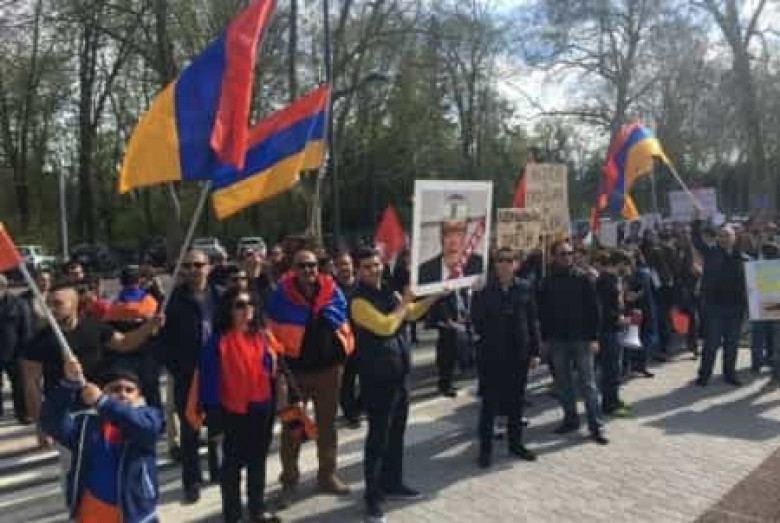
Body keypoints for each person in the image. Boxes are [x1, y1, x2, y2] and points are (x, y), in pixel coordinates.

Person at [350, 247, 438, 523]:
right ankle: (372, 498)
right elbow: (386, 326)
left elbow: (411, 314)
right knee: (378, 439)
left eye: (376, 265)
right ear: (358, 270)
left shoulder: (389, 291)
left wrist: (435, 295)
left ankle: (393, 483)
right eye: (367, 266)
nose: (373, 270)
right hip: (377, 380)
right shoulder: (358, 301)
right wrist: (405, 302)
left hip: (399, 375)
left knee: (397, 433)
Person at [267, 250, 355, 508]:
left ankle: (327, 476)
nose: (308, 270)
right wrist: (280, 373)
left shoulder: (331, 291)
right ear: (293, 269)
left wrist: (342, 356)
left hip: (329, 372)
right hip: (295, 374)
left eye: (312, 265)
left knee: (328, 427)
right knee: (292, 430)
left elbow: (341, 320)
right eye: (302, 265)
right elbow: (272, 334)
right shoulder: (280, 296)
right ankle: (289, 482)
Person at [22, 283, 163, 443]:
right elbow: (31, 385)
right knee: (74, 457)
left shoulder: (94, 327)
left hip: (98, 405)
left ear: (74, 304)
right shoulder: (37, 341)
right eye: (48, 304)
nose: (51, 309)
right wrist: (41, 425)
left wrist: (149, 326)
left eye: (58, 304)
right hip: (65, 414)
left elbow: (124, 343)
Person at [195, 289, 282, 523]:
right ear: (228, 309)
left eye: (250, 304)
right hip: (231, 414)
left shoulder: (263, 337)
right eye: (240, 305)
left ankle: (257, 510)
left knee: (258, 463)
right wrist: (215, 422)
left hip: (262, 409)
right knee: (231, 469)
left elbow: (272, 373)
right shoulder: (216, 343)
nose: (246, 310)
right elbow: (209, 386)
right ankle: (232, 516)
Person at [40, 360, 164, 523]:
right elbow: (52, 422)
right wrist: (68, 385)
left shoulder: (149, 417)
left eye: (129, 390)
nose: (123, 394)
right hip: (92, 512)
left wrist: (103, 402)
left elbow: (145, 428)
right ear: (102, 390)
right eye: (115, 389)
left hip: (137, 514)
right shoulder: (85, 425)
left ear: (138, 395)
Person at [157, 249, 223, 503]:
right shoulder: (172, 301)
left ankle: (217, 469)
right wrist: (177, 368)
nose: (193, 269)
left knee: (218, 424)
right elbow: (162, 341)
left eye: (198, 264)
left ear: (208, 267)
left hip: (217, 371)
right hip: (188, 373)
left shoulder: (220, 296)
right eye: (187, 265)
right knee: (189, 429)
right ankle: (192, 480)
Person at [471, 247, 541, 468]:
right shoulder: (484, 289)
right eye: (500, 260)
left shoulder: (524, 287)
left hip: (518, 354)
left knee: (516, 403)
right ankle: (485, 450)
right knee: (489, 404)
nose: (504, 264)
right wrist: (475, 294)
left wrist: (535, 352)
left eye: (508, 260)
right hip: (492, 355)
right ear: (494, 264)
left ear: (515, 264)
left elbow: (532, 321)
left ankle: (516, 444)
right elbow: (476, 320)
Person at [538, 241, 608, 445]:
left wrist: (594, 337)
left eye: (570, 253)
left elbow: (595, 310)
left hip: (582, 339)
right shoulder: (547, 282)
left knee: (588, 384)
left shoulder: (584, 278)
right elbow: (543, 312)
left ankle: (596, 425)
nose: (568, 257)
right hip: (558, 340)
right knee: (563, 383)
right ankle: (571, 419)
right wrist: (545, 338)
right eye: (563, 254)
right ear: (553, 256)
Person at [692, 220, 748, 386]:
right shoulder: (711, 252)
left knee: (732, 344)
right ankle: (704, 375)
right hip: (714, 307)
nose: (725, 238)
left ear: (734, 237)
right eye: (722, 235)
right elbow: (696, 240)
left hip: (736, 308)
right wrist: (697, 221)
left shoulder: (742, 257)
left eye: (728, 235)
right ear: (717, 237)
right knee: (712, 343)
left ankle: (730, 374)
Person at [103, 266, 162, 409]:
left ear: (121, 281)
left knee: (122, 393)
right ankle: (156, 418)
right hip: (147, 353)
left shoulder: (114, 305)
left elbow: (107, 330)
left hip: (122, 355)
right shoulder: (150, 302)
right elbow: (156, 329)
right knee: (151, 392)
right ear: (139, 280)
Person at [417, 194, 484, 285]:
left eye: (459, 232)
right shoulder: (423, 272)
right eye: (448, 232)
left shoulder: (481, 266)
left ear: (466, 234)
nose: (453, 241)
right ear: (441, 235)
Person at [595, 251, 630, 417]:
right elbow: (603, 309)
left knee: (615, 367)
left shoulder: (613, 279)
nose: (628, 268)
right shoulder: (605, 281)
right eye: (626, 264)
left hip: (613, 329)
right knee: (610, 369)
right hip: (608, 330)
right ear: (619, 263)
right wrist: (618, 318)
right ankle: (609, 404)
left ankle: (614, 399)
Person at [428, 288, 472, 397]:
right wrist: (449, 321)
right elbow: (440, 306)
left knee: (455, 354)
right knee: (447, 356)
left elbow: (464, 306)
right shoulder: (445, 291)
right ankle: (444, 385)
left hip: (460, 325)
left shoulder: (462, 291)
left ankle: (449, 383)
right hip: (447, 326)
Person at [335, 252, 362, 427]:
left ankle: (360, 406)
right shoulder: (332, 289)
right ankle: (350, 412)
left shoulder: (362, 286)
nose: (344, 267)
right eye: (341, 264)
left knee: (369, 377)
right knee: (347, 381)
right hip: (344, 342)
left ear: (353, 266)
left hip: (365, 339)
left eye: (347, 264)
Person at [0, 274, 30, 422]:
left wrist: (24, 352)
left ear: (4, 287)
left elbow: (26, 329)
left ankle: (22, 413)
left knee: (19, 385)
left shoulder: (19, 303)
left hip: (15, 353)